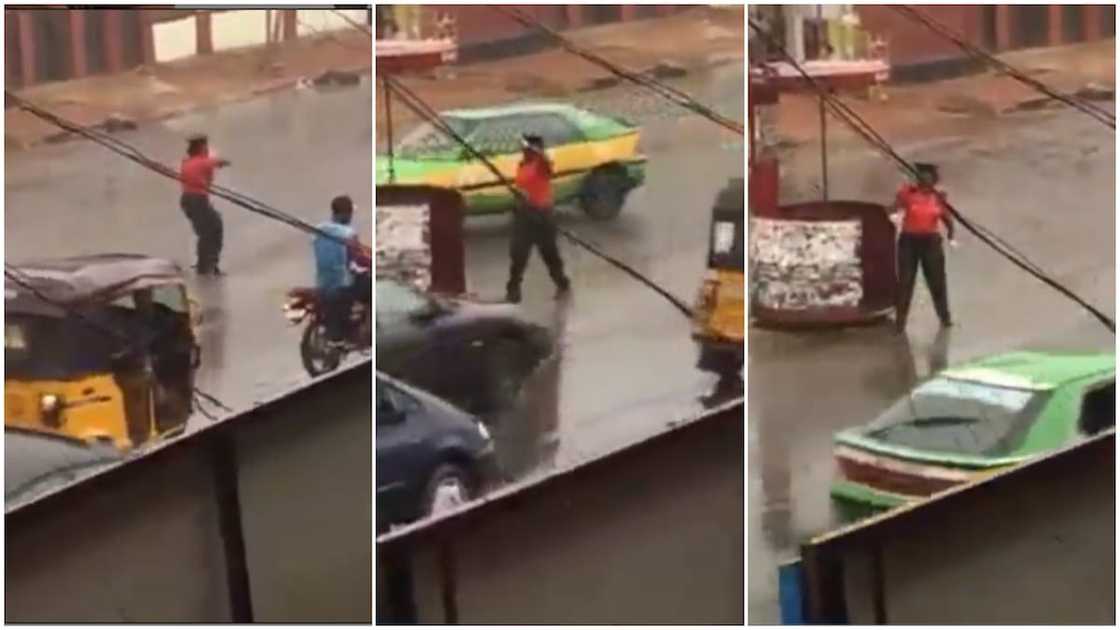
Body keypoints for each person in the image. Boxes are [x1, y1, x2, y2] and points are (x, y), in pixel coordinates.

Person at [505, 134, 571, 304]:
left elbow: (548, 167)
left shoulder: (541, 165)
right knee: (518, 256)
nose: (522, 151)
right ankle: (513, 292)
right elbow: (522, 187)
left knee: (550, 255)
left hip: (542, 217)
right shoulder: (522, 165)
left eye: (526, 148)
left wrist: (539, 152)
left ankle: (562, 284)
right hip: (524, 216)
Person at [893, 162, 956, 334]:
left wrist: (951, 236)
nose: (925, 181)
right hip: (908, 242)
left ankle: (945, 318)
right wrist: (897, 203)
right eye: (921, 177)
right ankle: (900, 323)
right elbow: (893, 208)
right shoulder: (907, 193)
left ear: (933, 181)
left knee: (937, 282)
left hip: (931, 243)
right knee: (905, 282)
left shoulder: (938, 197)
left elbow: (948, 220)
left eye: (928, 178)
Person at [314, 195, 366, 345]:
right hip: (342, 284)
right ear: (348, 214)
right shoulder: (348, 234)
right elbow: (355, 263)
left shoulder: (319, 230)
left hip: (322, 281)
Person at [179, 134, 230, 276]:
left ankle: (205, 264)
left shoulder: (187, 162)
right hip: (197, 200)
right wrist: (223, 162)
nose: (207, 149)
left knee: (206, 231)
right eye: (205, 146)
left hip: (189, 201)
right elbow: (217, 162)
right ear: (201, 148)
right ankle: (208, 266)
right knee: (213, 229)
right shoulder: (202, 161)